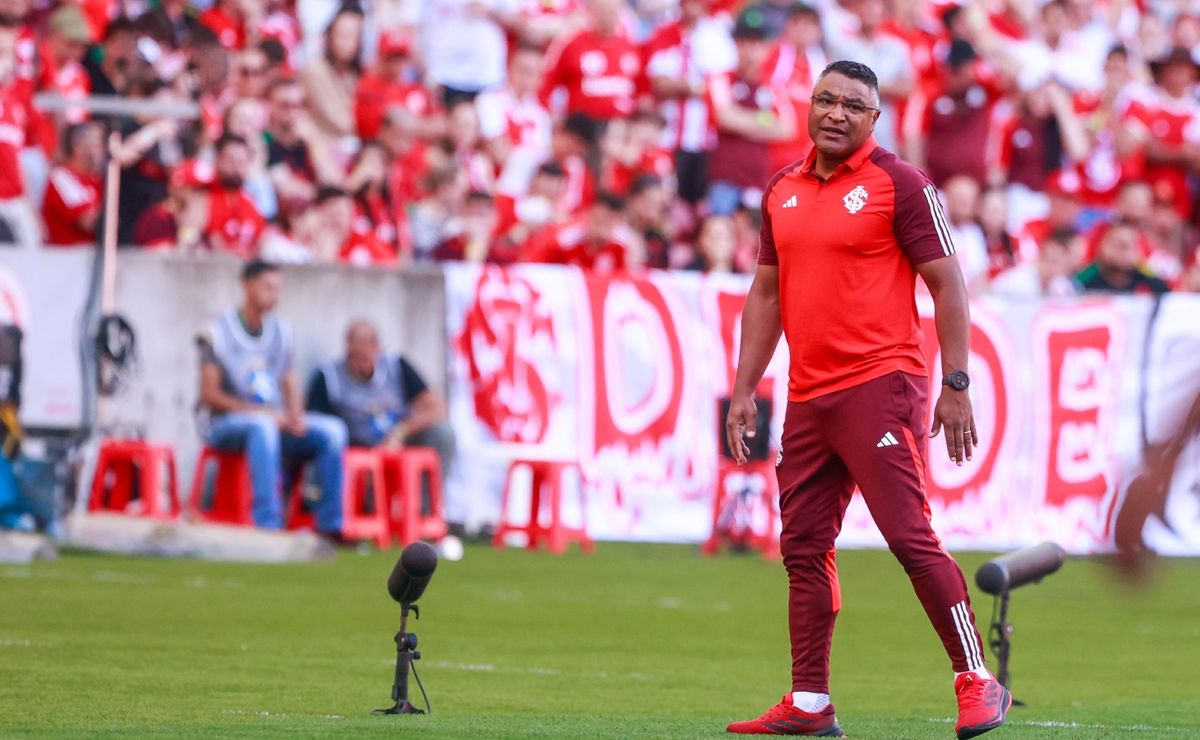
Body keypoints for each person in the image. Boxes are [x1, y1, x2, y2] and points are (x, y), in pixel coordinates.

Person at [724, 61, 1009, 739]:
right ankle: (810, 703)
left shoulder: (900, 183)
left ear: (874, 119)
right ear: (809, 105)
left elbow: (949, 287)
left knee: (909, 537)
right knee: (803, 547)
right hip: (808, 395)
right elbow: (765, 295)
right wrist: (744, 390)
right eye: (825, 99)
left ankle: (978, 679)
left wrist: (958, 384)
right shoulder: (781, 190)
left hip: (881, 384)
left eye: (853, 105)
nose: (835, 113)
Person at [197, 260, 347, 535]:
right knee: (262, 428)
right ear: (247, 286)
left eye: (278, 288)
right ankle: (268, 523)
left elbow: (289, 381)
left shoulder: (281, 331)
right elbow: (210, 396)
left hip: (274, 420)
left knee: (333, 431)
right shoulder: (216, 332)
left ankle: (330, 525)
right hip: (225, 424)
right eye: (267, 287)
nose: (273, 294)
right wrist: (260, 414)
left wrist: (296, 415)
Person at [306, 319, 457, 512]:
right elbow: (316, 423)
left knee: (442, 432)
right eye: (353, 355)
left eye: (364, 355)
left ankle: (424, 512)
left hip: (399, 441)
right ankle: (358, 511)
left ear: (376, 348)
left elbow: (437, 407)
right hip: (358, 450)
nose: (358, 363)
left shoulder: (397, 366)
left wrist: (400, 432)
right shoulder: (329, 377)